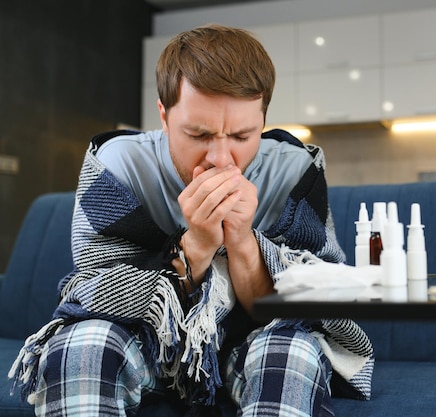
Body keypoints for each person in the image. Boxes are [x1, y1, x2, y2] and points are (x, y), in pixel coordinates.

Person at [10, 24, 374, 416]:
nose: (221, 158)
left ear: (263, 119)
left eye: (241, 135)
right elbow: (97, 293)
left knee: (293, 352)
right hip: (146, 342)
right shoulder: (116, 167)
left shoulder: (294, 172)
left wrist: (243, 242)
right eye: (198, 134)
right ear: (164, 117)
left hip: (248, 343)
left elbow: (313, 298)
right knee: (79, 348)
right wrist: (196, 246)